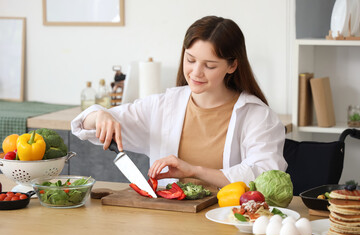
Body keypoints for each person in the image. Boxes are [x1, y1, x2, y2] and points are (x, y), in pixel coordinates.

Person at [71, 16, 287, 189]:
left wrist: (194, 171)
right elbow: (85, 126)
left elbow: (264, 175)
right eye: (190, 60)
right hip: (168, 220)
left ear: (232, 66)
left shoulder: (257, 115)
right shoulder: (164, 106)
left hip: (229, 219)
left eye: (209, 66)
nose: (196, 72)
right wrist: (101, 115)